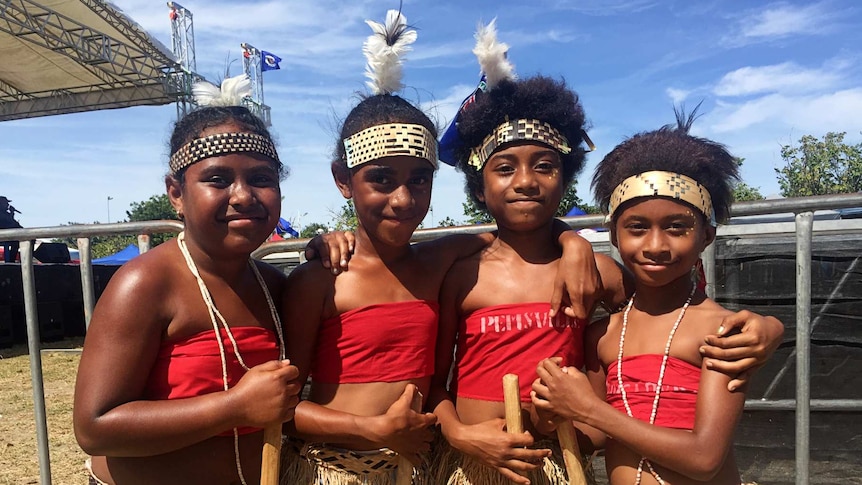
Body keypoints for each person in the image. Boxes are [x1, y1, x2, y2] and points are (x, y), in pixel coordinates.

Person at [430, 23, 784, 485]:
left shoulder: (600, 272)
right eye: (504, 168)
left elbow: (662, 311)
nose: (525, 181)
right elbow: (432, 377)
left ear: (565, 174)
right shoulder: (460, 272)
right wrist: (460, 436)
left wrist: (771, 327)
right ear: (480, 183)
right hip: (474, 465)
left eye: (544, 166)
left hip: (560, 465)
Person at [280, 11, 607, 485]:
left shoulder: (440, 260)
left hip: (420, 469)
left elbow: (515, 232)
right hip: (332, 468)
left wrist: (572, 240)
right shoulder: (320, 278)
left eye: (419, 180)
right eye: (381, 179)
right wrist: (370, 429)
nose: (403, 198)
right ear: (342, 181)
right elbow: (282, 408)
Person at [73, 75, 303, 485]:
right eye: (217, 179)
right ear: (176, 193)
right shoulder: (144, 284)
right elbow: (94, 427)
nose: (243, 195)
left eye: (262, 179)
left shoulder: (274, 285)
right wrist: (235, 406)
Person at [532, 109, 766, 484]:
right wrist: (551, 414)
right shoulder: (603, 335)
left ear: (707, 235)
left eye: (677, 227)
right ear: (614, 235)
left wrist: (589, 409)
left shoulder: (724, 334)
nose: (656, 246)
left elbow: (704, 458)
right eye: (637, 228)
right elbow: (593, 437)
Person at [0, 196, 21, 263]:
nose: (8, 205)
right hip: (3, 236)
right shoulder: (1, 214)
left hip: (9, 235)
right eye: (5, 203)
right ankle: (11, 262)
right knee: (16, 242)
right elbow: (8, 223)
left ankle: (12, 261)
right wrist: (11, 213)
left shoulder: (6, 214)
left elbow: (14, 224)